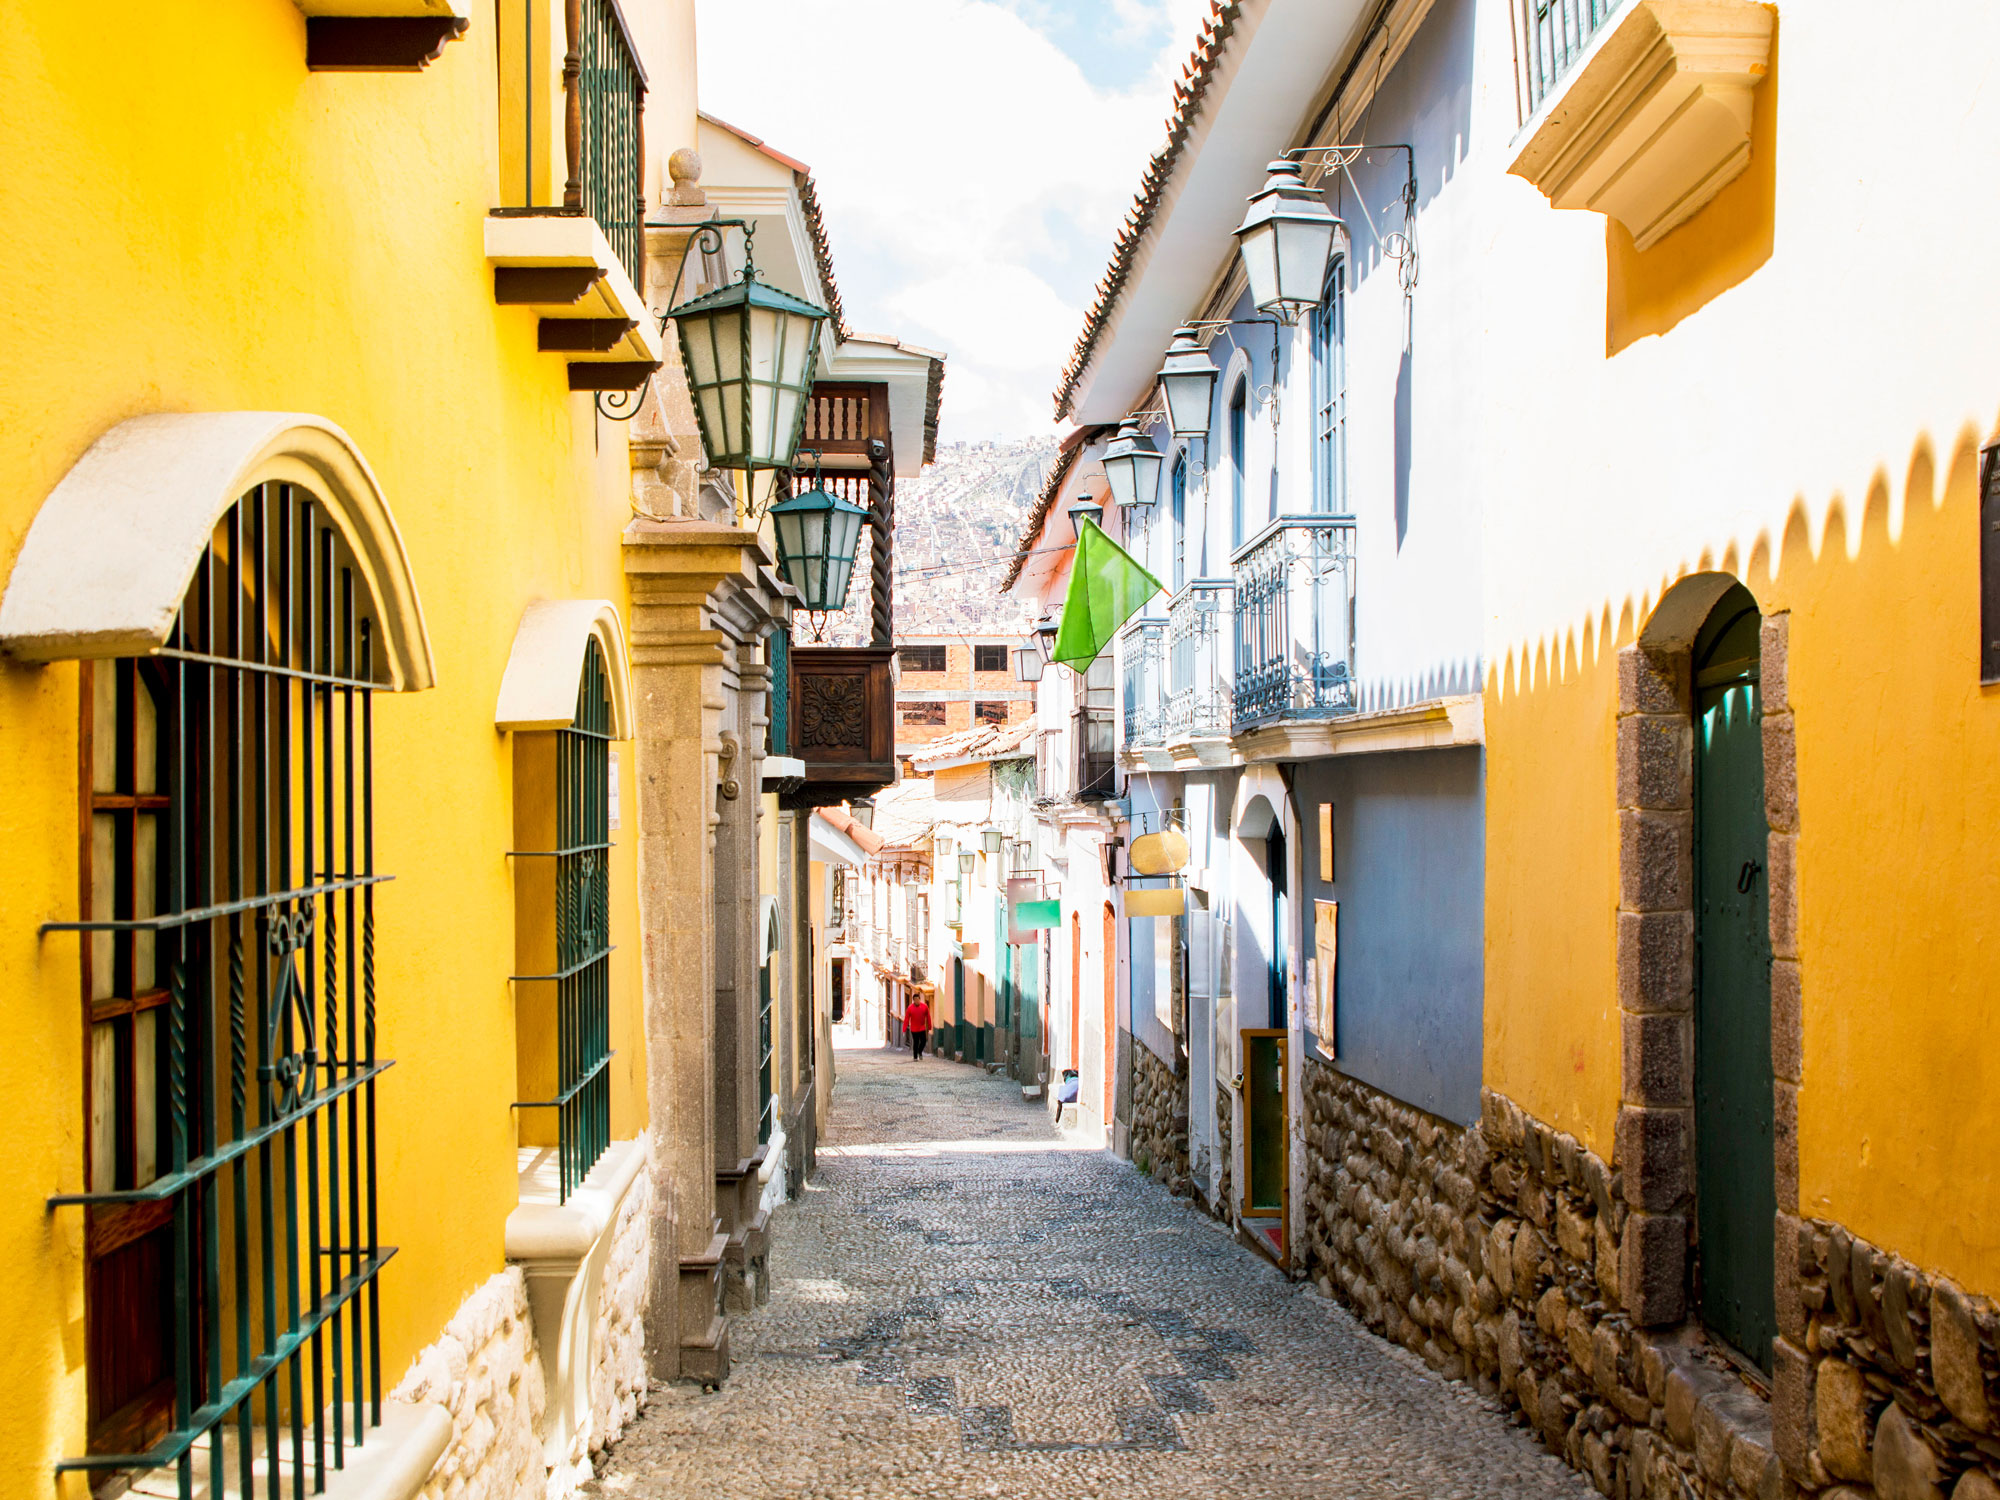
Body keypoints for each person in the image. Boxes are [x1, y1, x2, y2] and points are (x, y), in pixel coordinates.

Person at [905, 993, 931, 1061]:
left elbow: (928, 1016)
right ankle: (915, 1057)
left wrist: (929, 1026)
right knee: (916, 1042)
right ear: (913, 1000)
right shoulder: (910, 1008)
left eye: (918, 999)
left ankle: (920, 1051)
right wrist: (904, 1028)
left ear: (920, 999)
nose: (917, 1001)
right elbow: (907, 1018)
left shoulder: (924, 1006)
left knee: (923, 1041)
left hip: (922, 1027)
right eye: (915, 999)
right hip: (914, 1029)